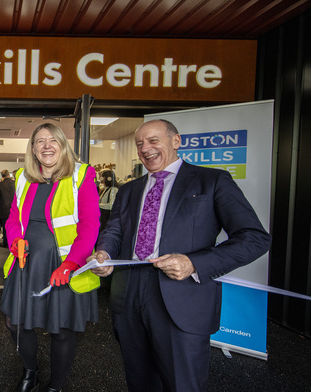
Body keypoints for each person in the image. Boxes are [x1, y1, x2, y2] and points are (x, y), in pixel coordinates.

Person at [90, 119, 271, 392]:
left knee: (182, 384)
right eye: (140, 144)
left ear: (176, 141)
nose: (145, 149)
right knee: (139, 382)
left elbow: (255, 238)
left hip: (182, 297)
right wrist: (103, 252)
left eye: (153, 141)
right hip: (128, 297)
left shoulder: (212, 181)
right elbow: (114, 232)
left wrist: (194, 263)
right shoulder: (129, 190)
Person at [0, 123, 101, 392]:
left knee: (62, 328)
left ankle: (55, 386)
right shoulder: (23, 177)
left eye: (53, 140)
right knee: (16, 322)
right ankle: (30, 369)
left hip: (65, 263)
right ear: (32, 149)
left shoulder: (81, 175)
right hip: (27, 262)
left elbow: (91, 224)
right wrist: (13, 241)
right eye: (40, 141)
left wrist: (72, 262)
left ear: (63, 146)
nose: (47, 146)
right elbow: (12, 219)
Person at [0, 169, 15, 247]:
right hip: (14, 209)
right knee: (14, 227)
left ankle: (6, 243)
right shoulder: (15, 183)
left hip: (3, 209)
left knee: (5, 227)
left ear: (2, 176)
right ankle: (14, 243)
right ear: (9, 174)